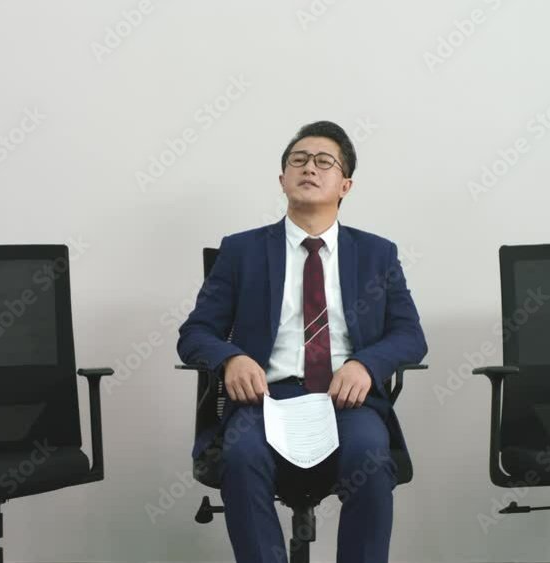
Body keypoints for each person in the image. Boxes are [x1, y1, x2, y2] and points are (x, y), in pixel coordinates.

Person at [177, 120, 427, 563]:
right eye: (299, 160)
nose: (309, 167)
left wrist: (366, 365)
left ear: (345, 184)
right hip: (266, 399)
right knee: (240, 457)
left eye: (323, 161)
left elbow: (410, 335)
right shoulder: (242, 251)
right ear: (282, 179)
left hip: (346, 398)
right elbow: (195, 332)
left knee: (370, 456)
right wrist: (231, 358)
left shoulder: (377, 254)